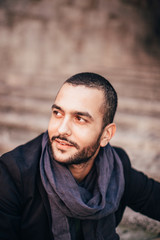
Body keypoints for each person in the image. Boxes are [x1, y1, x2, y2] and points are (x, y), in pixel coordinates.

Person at [0, 72, 159, 240]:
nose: (62, 129)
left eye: (80, 119)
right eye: (57, 113)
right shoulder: (13, 174)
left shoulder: (115, 167)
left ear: (106, 134)